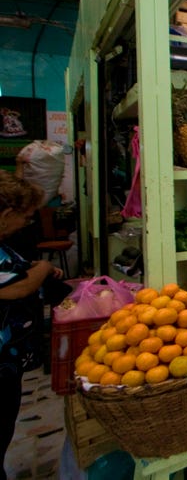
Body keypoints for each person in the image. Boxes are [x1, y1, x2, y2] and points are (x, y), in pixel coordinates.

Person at [1, 172, 63, 480]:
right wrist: (43, 268)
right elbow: (15, 287)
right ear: (6, 214)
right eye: (24, 217)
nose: (26, 223)